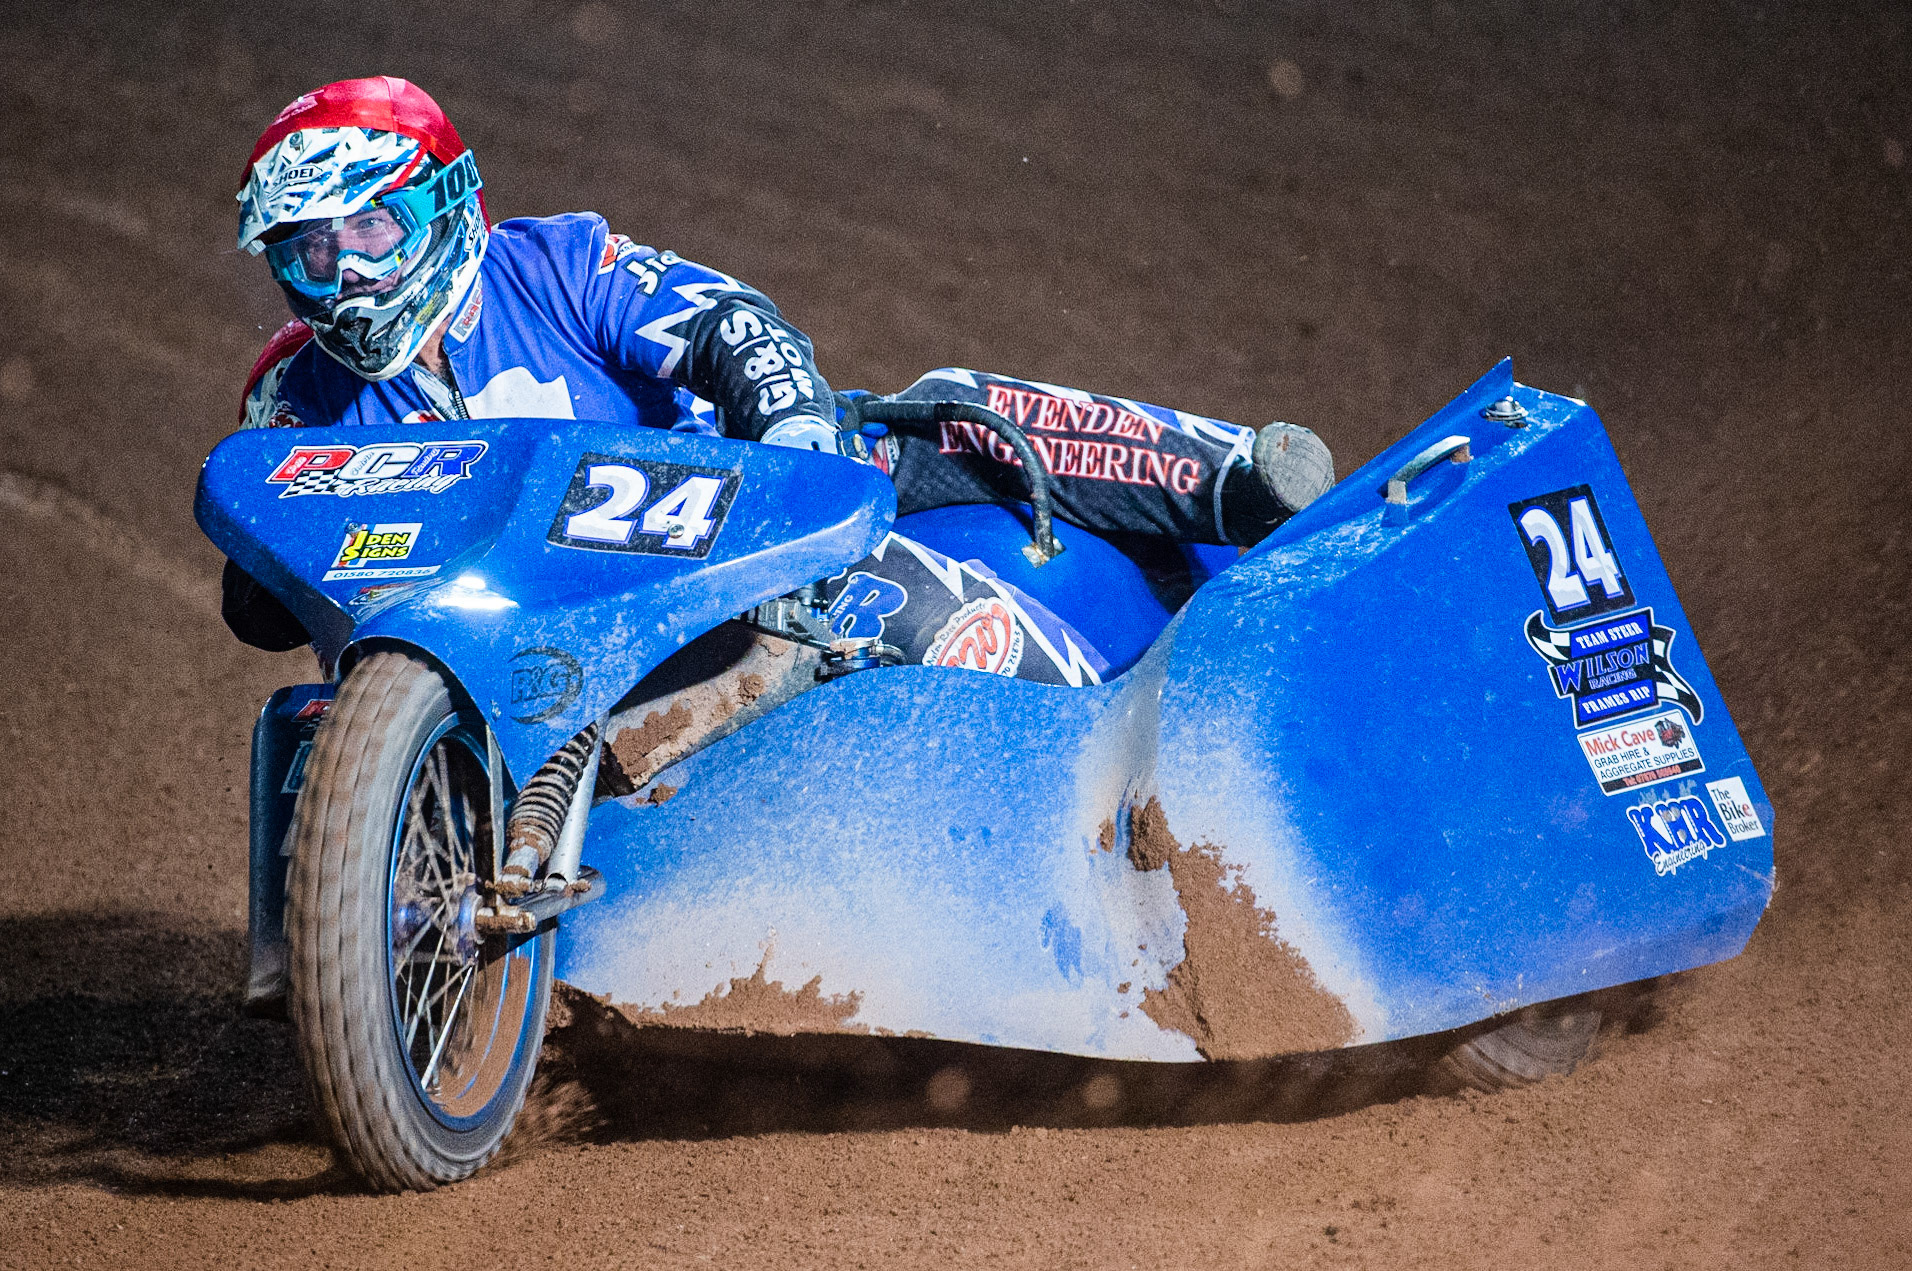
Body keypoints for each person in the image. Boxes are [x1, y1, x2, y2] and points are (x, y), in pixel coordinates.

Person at [225, 76, 1335, 685]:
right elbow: (259, 604)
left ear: (445, 203)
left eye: (369, 229)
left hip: (744, 533)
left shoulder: (552, 263)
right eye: (308, 251)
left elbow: (731, 326)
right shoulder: (294, 400)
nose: (345, 275)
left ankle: (1253, 495)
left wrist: (795, 443)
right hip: (536, 652)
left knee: (952, 422)